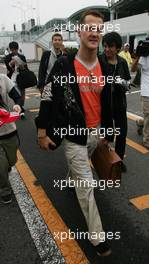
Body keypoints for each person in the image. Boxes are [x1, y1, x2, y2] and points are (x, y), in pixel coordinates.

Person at [37, 10, 115, 256]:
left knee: (79, 170)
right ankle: (97, 237)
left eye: (99, 28)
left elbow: (109, 101)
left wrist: (108, 132)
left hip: (96, 133)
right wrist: (42, 131)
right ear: (79, 32)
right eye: (89, 27)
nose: (94, 32)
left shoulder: (103, 63)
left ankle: (70, 178)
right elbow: (49, 95)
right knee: (87, 185)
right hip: (73, 134)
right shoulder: (65, 64)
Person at [102, 32, 131, 172]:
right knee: (106, 135)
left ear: (118, 48)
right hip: (103, 105)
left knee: (122, 134)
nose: (107, 49)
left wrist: (121, 82)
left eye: (111, 47)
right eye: (105, 46)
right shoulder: (99, 60)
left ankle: (119, 161)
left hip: (119, 103)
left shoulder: (122, 62)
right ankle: (102, 158)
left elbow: (128, 82)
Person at [0, 74, 22, 204]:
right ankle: (5, 190)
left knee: (10, 161)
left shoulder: (3, 78)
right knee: (1, 166)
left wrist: (17, 105)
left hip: (9, 130)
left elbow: (17, 96)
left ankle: (6, 168)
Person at [4, 41, 27, 119]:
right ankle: (21, 110)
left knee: (22, 94)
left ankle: (21, 107)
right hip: (11, 79)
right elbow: (8, 69)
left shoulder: (22, 57)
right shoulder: (7, 57)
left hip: (21, 78)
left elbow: (26, 68)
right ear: (10, 49)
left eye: (15, 50)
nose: (14, 51)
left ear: (17, 49)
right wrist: (11, 64)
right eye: (12, 50)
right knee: (15, 95)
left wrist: (22, 66)